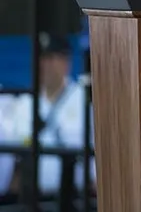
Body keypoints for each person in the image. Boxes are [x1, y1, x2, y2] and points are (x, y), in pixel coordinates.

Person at [0, 35, 93, 200]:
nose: (44, 65)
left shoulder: (84, 101)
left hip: (75, 199)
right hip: (33, 198)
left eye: (50, 58)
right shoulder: (24, 103)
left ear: (66, 61)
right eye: (41, 58)